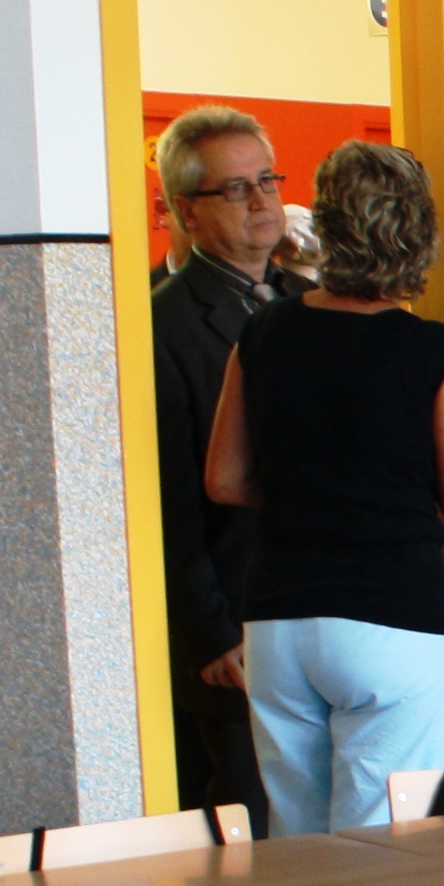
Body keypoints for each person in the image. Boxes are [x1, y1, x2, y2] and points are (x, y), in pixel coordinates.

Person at [207, 142, 444, 835]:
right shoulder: (431, 349)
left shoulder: (266, 328)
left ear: (328, 222)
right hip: (390, 616)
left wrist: (313, 486)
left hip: (279, 619)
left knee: (297, 834)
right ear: (417, 231)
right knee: (386, 844)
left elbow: (225, 480)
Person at [145, 106, 298, 818]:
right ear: (186, 211)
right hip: (234, 628)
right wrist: (209, 633)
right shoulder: (161, 324)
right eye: (236, 188)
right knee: (251, 829)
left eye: (267, 179)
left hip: (321, 614)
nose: (261, 200)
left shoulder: (311, 302)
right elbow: (166, 501)